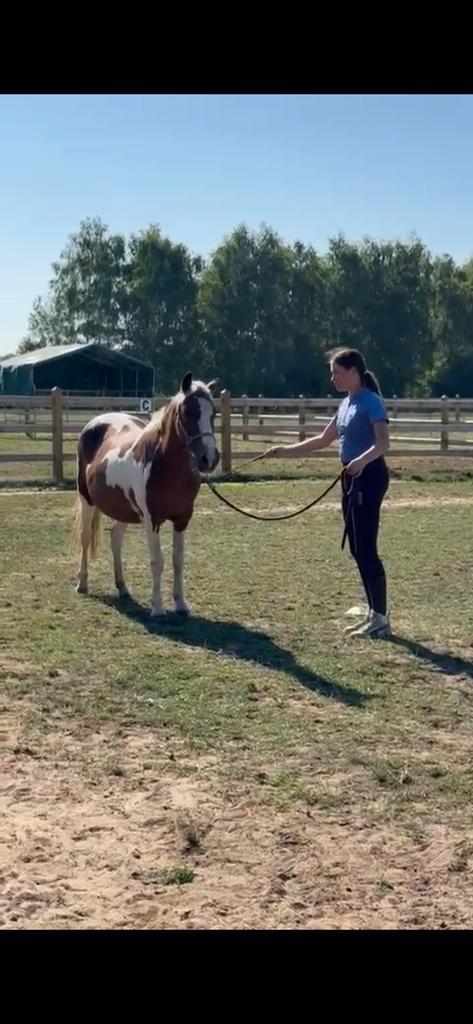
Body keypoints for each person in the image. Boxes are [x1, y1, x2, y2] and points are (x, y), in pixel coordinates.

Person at [263, 348, 391, 638]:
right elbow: (323, 439)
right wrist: (284, 451)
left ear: (353, 371)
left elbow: (383, 444)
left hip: (368, 476)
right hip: (351, 477)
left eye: (336, 372)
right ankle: (374, 612)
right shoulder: (346, 404)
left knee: (366, 547)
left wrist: (360, 461)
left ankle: (380, 617)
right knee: (358, 548)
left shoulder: (371, 402)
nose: (332, 378)